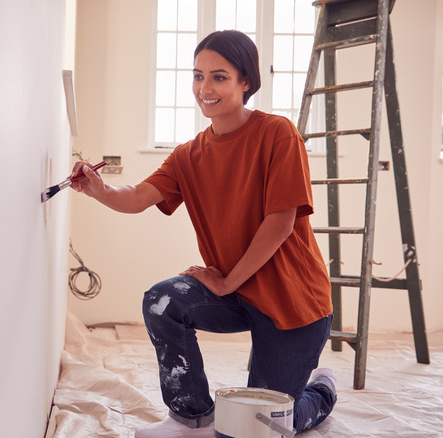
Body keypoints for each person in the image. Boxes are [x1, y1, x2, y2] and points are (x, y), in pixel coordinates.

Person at [69, 30, 337, 438]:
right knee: (162, 302)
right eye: (197, 76)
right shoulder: (187, 155)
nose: (204, 88)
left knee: (258, 427)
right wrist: (100, 190)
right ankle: (191, 417)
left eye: (219, 77)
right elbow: (139, 195)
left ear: (245, 81)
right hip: (235, 293)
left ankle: (320, 393)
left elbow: (280, 223)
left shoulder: (277, 134)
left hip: (292, 300)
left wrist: (227, 279)